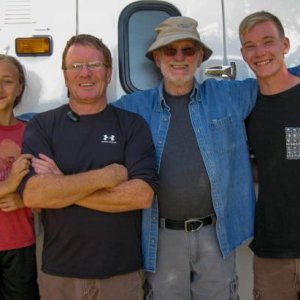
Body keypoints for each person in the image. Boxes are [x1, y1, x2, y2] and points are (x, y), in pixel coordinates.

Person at [114, 16, 300, 300]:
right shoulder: (135, 106)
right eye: (170, 50)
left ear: (200, 56)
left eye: (188, 50)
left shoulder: (232, 96)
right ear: (156, 57)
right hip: (162, 237)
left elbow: (279, 74)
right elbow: (91, 114)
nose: (179, 58)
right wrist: (27, 128)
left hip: (216, 234)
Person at [20, 34, 158, 300]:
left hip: (121, 274)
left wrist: (62, 184)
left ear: (108, 73)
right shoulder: (43, 126)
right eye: (75, 66)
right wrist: (107, 176)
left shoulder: (132, 125)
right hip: (59, 275)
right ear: (65, 75)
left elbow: (142, 195)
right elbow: (35, 195)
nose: (85, 73)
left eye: (94, 65)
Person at [239, 11, 300, 300]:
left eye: (267, 41)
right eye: (250, 46)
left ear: (285, 45)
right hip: (272, 251)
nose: (260, 52)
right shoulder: (245, 109)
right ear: (242, 54)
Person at [0, 54, 39, 299]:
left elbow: (50, 188)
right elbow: (14, 183)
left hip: (21, 245)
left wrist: (26, 200)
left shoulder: (32, 134)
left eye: (7, 81)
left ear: (20, 87)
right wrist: (10, 184)